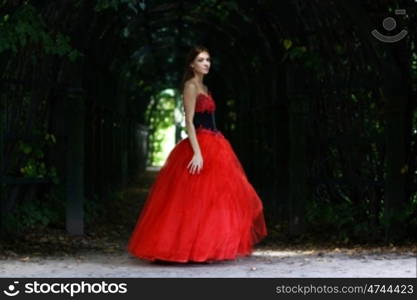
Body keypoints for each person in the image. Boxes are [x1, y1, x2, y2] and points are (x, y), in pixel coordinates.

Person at [127, 45, 267, 263]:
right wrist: (197, 153)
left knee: (214, 199)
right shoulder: (190, 86)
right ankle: (183, 248)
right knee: (192, 198)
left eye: (208, 60)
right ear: (192, 64)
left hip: (216, 143)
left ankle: (207, 247)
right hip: (200, 144)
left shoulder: (205, 87)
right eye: (201, 60)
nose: (206, 64)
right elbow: (189, 122)